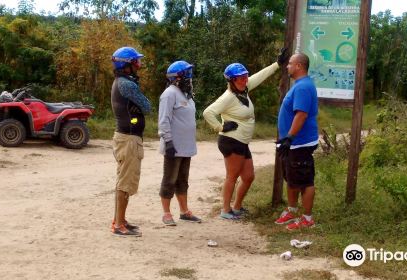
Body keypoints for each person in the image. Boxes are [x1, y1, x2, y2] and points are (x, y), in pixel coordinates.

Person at [203, 49, 289, 220]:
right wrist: (220, 127)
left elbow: (259, 76)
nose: (244, 79)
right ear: (231, 81)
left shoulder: (244, 89)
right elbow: (208, 112)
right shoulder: (228, 97)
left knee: (249, 177)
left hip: (242, 142)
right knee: (232, 176)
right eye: (240, 77)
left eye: (245, 76)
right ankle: (225, 210)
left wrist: (277, 64)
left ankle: (237, 206)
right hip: (231, 140)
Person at [110, 46, 152, 236]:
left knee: (123, 181)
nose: (139, 65)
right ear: (127, 65)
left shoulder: (122, 82)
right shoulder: (127, 85)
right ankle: (119, 225)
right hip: (129, 139)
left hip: (125, 137)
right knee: (125, 183)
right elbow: (147, 106)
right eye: (136, 62)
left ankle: (120, 220)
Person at [275, 53, 319, 230]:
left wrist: (290, 137)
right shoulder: (299, 85)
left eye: (290, 63)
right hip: (292, 143)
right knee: (292, 178)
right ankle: (292, 210)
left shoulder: (303, 87)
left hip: (299, 142)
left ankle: (307, 218)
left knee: (305, 180)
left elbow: (301, 114)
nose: (287, 66)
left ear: (299, 66)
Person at [158, 60, 202, 226]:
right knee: (169, 179)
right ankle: (166, 213)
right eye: (187, 75)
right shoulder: (169, 94)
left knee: (183, 180)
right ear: (177, 77)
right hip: (173, 147)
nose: (190, 78)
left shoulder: (187, 95)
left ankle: (184, 212)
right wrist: (168, 142)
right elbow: (164, 120)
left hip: (186, 147)